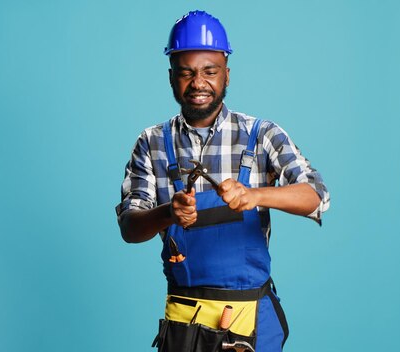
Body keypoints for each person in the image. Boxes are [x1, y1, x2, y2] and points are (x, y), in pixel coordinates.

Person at [115, 10, 330, 352]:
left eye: (209, 72)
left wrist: (255, 195)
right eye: (186, 73)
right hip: (184, 325)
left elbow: (316, 197)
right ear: (172, 77)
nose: (198, 82)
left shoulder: (261, 136)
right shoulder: (152, 142)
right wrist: (169, 213)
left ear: (226, 75)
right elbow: (129, 227)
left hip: (249, 324)